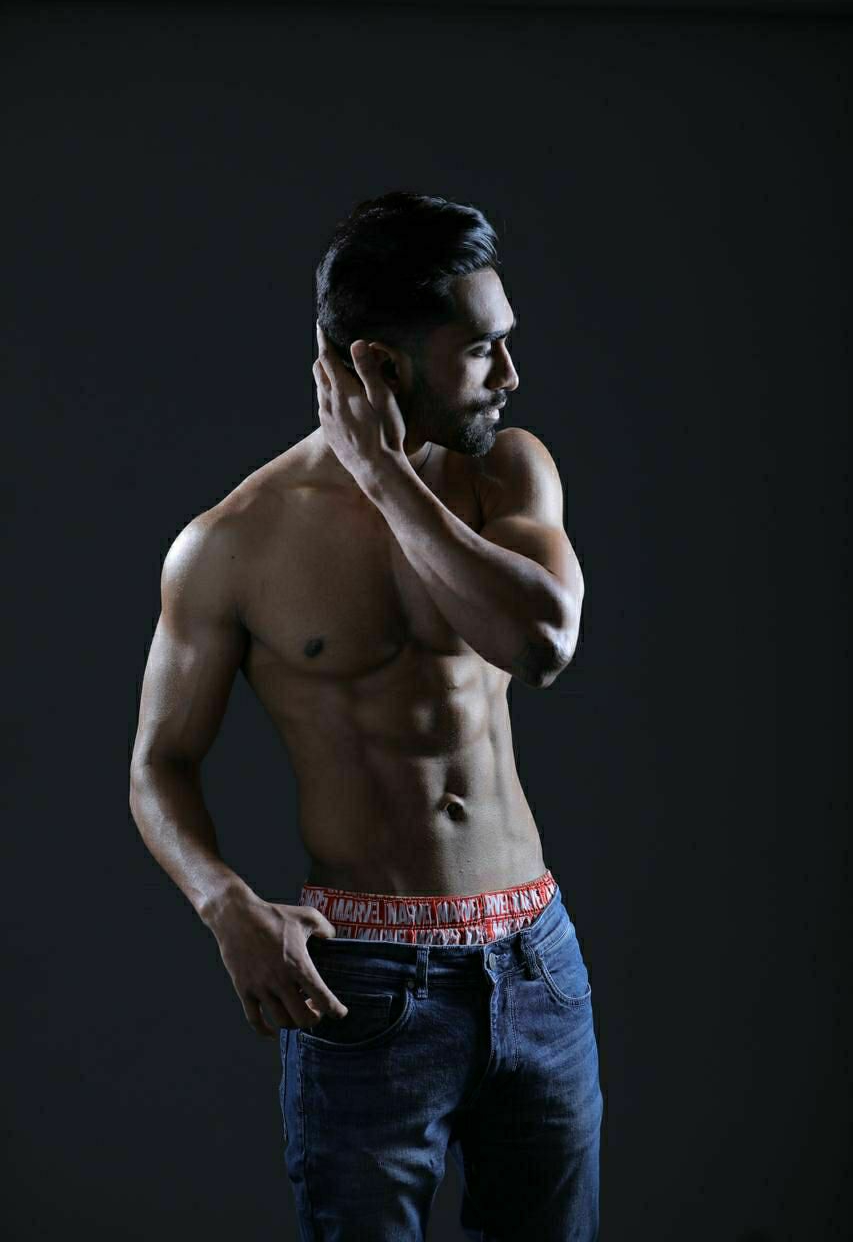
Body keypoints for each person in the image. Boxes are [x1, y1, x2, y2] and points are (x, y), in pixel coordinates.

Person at [129, 190, 603, 1241]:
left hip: (534, 958)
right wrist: (223, 903)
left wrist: (385, 476)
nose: (509, 375)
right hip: (364, 982)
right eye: (478, 350)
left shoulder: (505, 472)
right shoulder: (231, 543)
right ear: (380, 366)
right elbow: (158, 763)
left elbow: (541, 643)